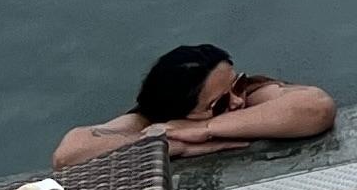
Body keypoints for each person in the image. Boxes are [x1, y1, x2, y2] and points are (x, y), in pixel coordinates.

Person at [54, 45, 336, 169]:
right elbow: (68, 155)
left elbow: (316, 108)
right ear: (180, 111)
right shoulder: (152, 121)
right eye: (220, 102)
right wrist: (163, 144)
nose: (237, 100)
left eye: (236, 85)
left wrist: (206, 128)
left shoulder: (248, 97)